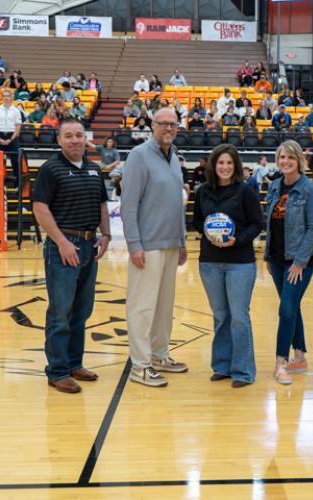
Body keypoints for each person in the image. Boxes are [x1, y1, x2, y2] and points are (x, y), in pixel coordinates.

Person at [32, 117, 110, 394]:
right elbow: (40, 208)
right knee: (60, 313)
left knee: (82, 311)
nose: (75, 140)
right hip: (64, 247)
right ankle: (57, 371)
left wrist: (106, 234)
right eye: (69, 136)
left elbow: (102, 202)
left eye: (79, 135)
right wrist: (62, 242)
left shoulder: (93, 168)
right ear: (59, 140)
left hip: (89, 246)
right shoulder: (51, 169)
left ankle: (74, 363)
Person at [121, 108, 188, 387]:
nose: (168, 128)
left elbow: (176, 204)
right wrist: (134, 244)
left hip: (171, 244)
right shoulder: (138, 156)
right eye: (163, 124)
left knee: (163, 306)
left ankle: (160, 355)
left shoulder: (173, 157)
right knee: (142, 307)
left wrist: (182, 240)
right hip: (147, 246)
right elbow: (128, 204)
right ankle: (140, 364)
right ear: (152, 125)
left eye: (173, 124)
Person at [193, 145, 262, 387]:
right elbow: (197, 221)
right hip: (210, 262)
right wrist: (210, 232)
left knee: (239, 318)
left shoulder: (245, 191)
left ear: (236, 166)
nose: (225, 167)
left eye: (229, 163)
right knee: (221, 316)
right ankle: (222, 366)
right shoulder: (203, 191)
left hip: (240, 263)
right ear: (214, 165)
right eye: (221, 163)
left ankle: (243, 371)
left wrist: (237, 240)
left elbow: (257, 224)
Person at [265, 140, 313, 385]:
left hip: (298, 261)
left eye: (290, 157)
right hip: (276, 259)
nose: (285, 162)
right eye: (282, 158)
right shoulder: (275, 186)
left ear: (299, 160)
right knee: (292, 306)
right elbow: (271, 223)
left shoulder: (309, 188)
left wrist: (300, 262)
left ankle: (281, 362)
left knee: (286, 309)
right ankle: (300, 356)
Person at [0, 89, 22, 188]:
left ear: (11, 97)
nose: (6, 98)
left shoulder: (16, 110)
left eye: (8, 96)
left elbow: (18, 126)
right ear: (2, 97)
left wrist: (11, 139)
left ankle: (17, 185)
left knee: (16, 162)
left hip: (12, 137)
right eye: (4, 96)